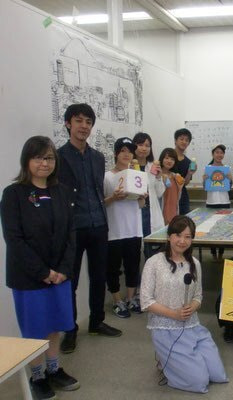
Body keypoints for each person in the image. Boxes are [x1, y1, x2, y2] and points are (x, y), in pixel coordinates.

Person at [1, 136, 80, 400]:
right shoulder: (13, 194)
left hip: (60, 275)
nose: (44, 163)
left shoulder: (62, 191)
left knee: (55, 324)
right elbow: (14, 239)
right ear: (26, 160)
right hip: (29, 277)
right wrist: (43, 272)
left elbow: (71, 234)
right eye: (38, 157)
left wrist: (63, 269)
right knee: (34, 329)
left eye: (49, 158)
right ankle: (37, 376)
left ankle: (54, 369)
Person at [58, 103, 121, 354]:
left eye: (88, 122)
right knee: (70, 282)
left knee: (98, 277)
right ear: (68, 124)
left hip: (98, 225)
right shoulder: (58, 157)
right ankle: (70, 330)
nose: (84, 126)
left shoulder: (97, 157)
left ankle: (96, 322)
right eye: (78, 121)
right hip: (73, 229)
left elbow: (97, 191)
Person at [140, 216, 228, 393]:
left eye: (188, 237)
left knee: (218, 375)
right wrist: (174, 314)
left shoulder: (194, 263)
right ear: (169, 236)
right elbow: (146, 301)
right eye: (178, 235)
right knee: (199, 382)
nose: (182, 241)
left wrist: (192, 307)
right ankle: (165, 359)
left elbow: (198, 296)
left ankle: (181, 360)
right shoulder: (154, 262)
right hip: (165, 328)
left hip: (191, 326)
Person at [104, 137, 145, 318]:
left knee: (133, 266)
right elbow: (100, 204)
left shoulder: (137, 175)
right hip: (114, 230)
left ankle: (130, 298)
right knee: (113, 268)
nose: (127, 154)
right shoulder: (107, 176)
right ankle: (117, 301)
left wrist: (142, 196)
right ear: (116, 154)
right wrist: (113, 197)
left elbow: (141, 205)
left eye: (129, 151)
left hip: (134, 228)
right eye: (123, 151)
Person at [132, 132, 165, 238]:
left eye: (147, 145)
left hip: (150, 210)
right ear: (134, 146)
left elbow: (159, 193)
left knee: (151, 242)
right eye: (140, 145)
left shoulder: (153, 167)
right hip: (135, 209)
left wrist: (159, 177)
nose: (144, 148)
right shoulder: (129, 167)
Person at [203, 144, 233, 258]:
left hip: (224, 201)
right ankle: (213, 252)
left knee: (223, 227)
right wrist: (204, 180)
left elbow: (229, 186)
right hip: (211, 202)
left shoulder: (227, 168)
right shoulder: (207, 168)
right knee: (211, 227)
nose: (219, 155)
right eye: (217, 152)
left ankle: (221, 252)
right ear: (213, 154)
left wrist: (230, 180)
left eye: (221, 153)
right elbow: (205, 187)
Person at [171, 128, 197, 215]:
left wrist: (190, 173)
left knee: (183, 220)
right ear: (175, 141)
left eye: (187, 140)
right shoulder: (168, 157)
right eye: (181, 139)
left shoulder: (188, 162)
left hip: (182, 197)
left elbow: (185, 183)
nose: (184, 142)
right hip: (169, 195)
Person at [159, 147, 183, 225]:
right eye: (167, 158)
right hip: (161, 214)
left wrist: (180, 187)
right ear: (161, 159)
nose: (169, 161)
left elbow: (177, 197)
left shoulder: (175, 176)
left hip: (174, 213)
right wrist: (160, 179)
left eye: (172, 159)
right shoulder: (157, 176)